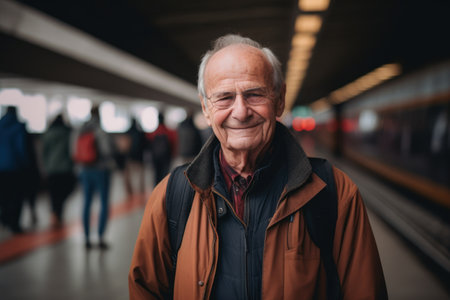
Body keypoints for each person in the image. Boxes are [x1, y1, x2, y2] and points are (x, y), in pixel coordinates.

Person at [129, 34, 387, 299]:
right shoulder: (171, 197)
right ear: (206, 108)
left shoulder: (335, 194)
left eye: (254, 94)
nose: (240, 112)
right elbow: (145, 290)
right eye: (224, 98)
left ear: (279, 99)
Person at [75, 106, 116, 249]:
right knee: (104, 203)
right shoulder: (100, 131)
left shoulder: (80, 131)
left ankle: (86, 238)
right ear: (99, 115)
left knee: (86, 203)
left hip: (84, 170)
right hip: (101, 170)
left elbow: (74, 151)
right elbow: (107, 150)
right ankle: (100, 237)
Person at [0, 106, 33, 233]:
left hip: (1, 168)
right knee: (16, 197)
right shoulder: (19, 127)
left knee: (4, 196)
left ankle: (5, 218)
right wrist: (26, 165)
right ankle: (14, 224)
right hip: (16, 168)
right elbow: (22, 148)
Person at [42, 114, 75, 228]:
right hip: (65, 168)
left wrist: (46, 167)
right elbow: (72, 151)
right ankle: (58, 215)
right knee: (64, 192)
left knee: (53, 194)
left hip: (52, 169)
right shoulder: (67, 133)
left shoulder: (48, 134)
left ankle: (54, 215)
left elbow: (44, 152)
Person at [145, 113, 177, 186]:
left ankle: (156, 190)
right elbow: (173, 143)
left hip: (156, 158)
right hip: (166, 157)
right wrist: (173, 154)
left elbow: (149, 146)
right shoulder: (169, 132)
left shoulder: (154, 132)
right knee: (165, 175)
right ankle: (164, 191)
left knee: (156, 175)